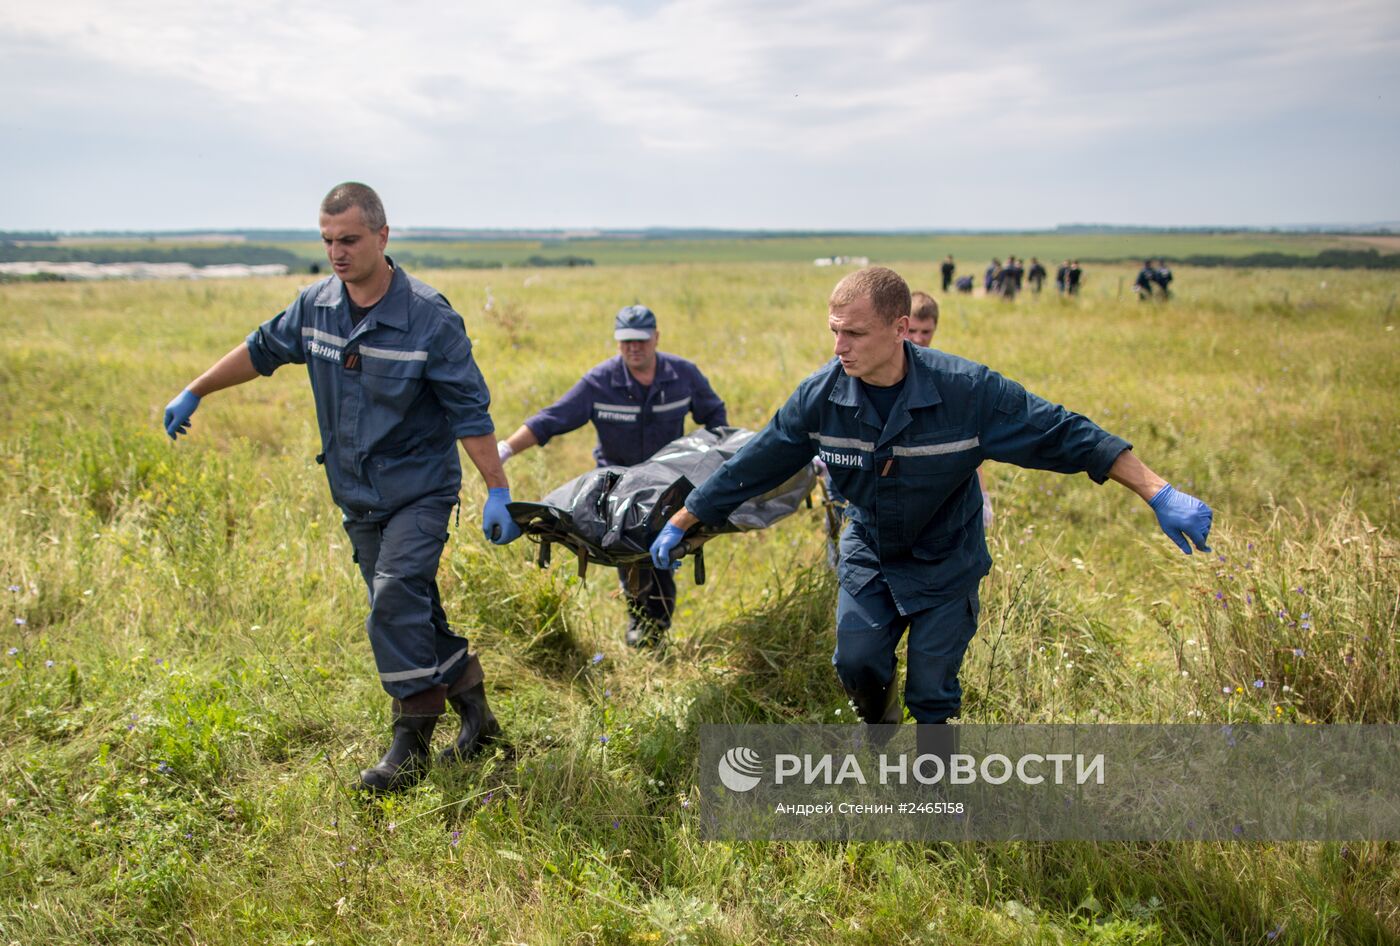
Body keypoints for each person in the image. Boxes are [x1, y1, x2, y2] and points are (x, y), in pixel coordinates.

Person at [649, 266, 1212, 732]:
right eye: (833, 332)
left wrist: (1156, 490)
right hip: (870, 547)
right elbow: (757, 463)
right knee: (858, 663)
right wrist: (684, 517)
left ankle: (933, 796)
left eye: (855, 334)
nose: (839, 347)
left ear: (900, 329)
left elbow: (1064, 433)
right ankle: (881, 730)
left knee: (932, 689)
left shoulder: (968, 392)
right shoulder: (820, 398)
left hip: (947, 556)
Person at [162, 183, 522, 794]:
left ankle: (410, 741)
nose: (337, 252)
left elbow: (469, 411)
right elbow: (261, 350)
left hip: (420, 490)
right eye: (327, 240)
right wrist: (197, 389)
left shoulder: (428, 318)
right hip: (356, 492)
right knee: (413, 609)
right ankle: (479, 719)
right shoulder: (317, 306)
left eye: (349, 239)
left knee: (394, 596)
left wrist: (497, 488)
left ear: (383, 236)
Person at [496, 305, 727, 647]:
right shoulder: (600, 383)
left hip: (667, 489)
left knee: (663, 556)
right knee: (628, 552)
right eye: (625, 341)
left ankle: (654, 629)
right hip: (617, 492)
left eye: (641, 340)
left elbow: (718, 423)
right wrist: (504, 450)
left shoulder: (683, 376)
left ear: (656, 338)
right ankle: (641, 625)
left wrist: (711, 465)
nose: (634, 347)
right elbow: (551, 419)